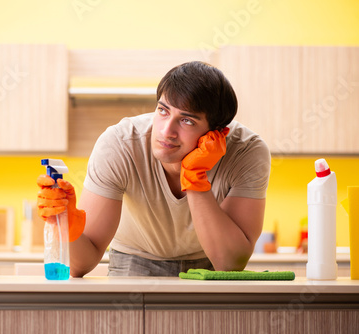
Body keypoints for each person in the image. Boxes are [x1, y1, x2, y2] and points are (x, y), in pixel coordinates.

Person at [37, 61, 271, 277]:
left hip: (208, 264)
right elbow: (81, 266)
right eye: (163, 110)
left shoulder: (246, 152)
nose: (166, 131)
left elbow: (229, 264)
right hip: (132, 261)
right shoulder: (119, 144)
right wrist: (65, 224)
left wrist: (194, 176)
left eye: (187, 120)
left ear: (218, 133)